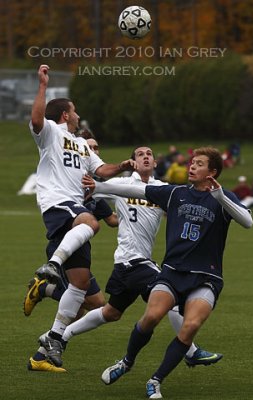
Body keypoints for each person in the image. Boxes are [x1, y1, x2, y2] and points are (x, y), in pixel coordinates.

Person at [83, 146, 253, 399]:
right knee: (151, 317)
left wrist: (220, 197)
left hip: (206, 278)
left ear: (212, 172)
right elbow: (136, 189)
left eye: (199, 163)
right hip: (173, 273)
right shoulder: (175, 193)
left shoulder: (222, 198)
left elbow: (247, 221)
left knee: (190, 325)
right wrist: (99, 187)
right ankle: (127, 362)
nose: (191, 166)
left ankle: (156, 380)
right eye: (192, 162)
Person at [44, 146, 222, 370]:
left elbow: (187, 206)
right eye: (140, 154)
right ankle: (191, 351)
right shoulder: (124, 185)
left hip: (132, 264)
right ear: (133, 163)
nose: (146, 156)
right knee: (173, 297)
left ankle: (59, 336)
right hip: (132, 260)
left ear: (155, 163)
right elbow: (92, 188)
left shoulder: (164, 189)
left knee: (112, 312)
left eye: (150, 154)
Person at [29, 64, 136, 369]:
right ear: (65, 115)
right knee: (92, 222)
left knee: (79, 286)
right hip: (59, 204)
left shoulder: (83, 146)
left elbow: (102, 171)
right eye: (74, 111)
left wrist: (125, 164)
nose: (77, 115)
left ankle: (48, 346)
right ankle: (52, 265)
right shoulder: (51, 133)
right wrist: (42, 86)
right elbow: (37, 119)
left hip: (74, 210)